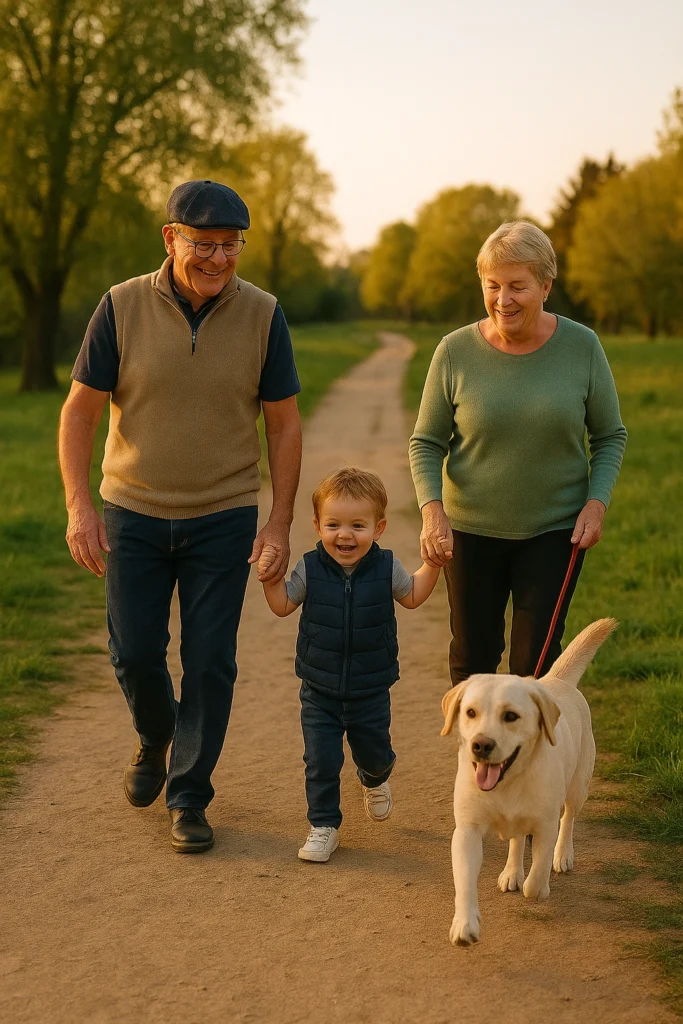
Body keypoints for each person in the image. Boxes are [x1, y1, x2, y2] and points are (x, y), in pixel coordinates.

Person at [58, 180, 302, 853]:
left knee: (211, 662)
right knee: (134, 651)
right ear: (171, 239)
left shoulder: (263, 314)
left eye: (231, 246)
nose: (219, 259)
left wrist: (278, 523)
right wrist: (81, 505)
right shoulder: (121, 306)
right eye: (204, 244)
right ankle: (155, 733)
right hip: (131, 510)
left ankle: (189, 797)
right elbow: (78, 411)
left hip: (221, 514)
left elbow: (282, 426)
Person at [409, 221, 627, 686]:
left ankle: (531, 762)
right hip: (469, 530)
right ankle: (474, 759)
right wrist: (432, 511)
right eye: (493, 286)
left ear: (546, 286)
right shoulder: (454, 352)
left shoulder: (582, 347)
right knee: (473, 660)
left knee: (537, 668)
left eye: (517, 286)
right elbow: (426, 442)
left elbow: (609, 435)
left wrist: (597, 501)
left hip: (554, 530)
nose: (503, 299)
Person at [257, 467, 440, 862]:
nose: (345, 535)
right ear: (317, 526)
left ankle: (374, 779)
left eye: (358, 525)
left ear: (379, 528)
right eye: (333, 524)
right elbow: (283, 605)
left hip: (370, 690)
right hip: (318, 689)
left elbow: (411, 596)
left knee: (374, 754)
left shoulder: (386, 567)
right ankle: (323, 825)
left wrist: (435, 564)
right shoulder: (309, 567)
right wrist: (270, 578)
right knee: (320, 760)